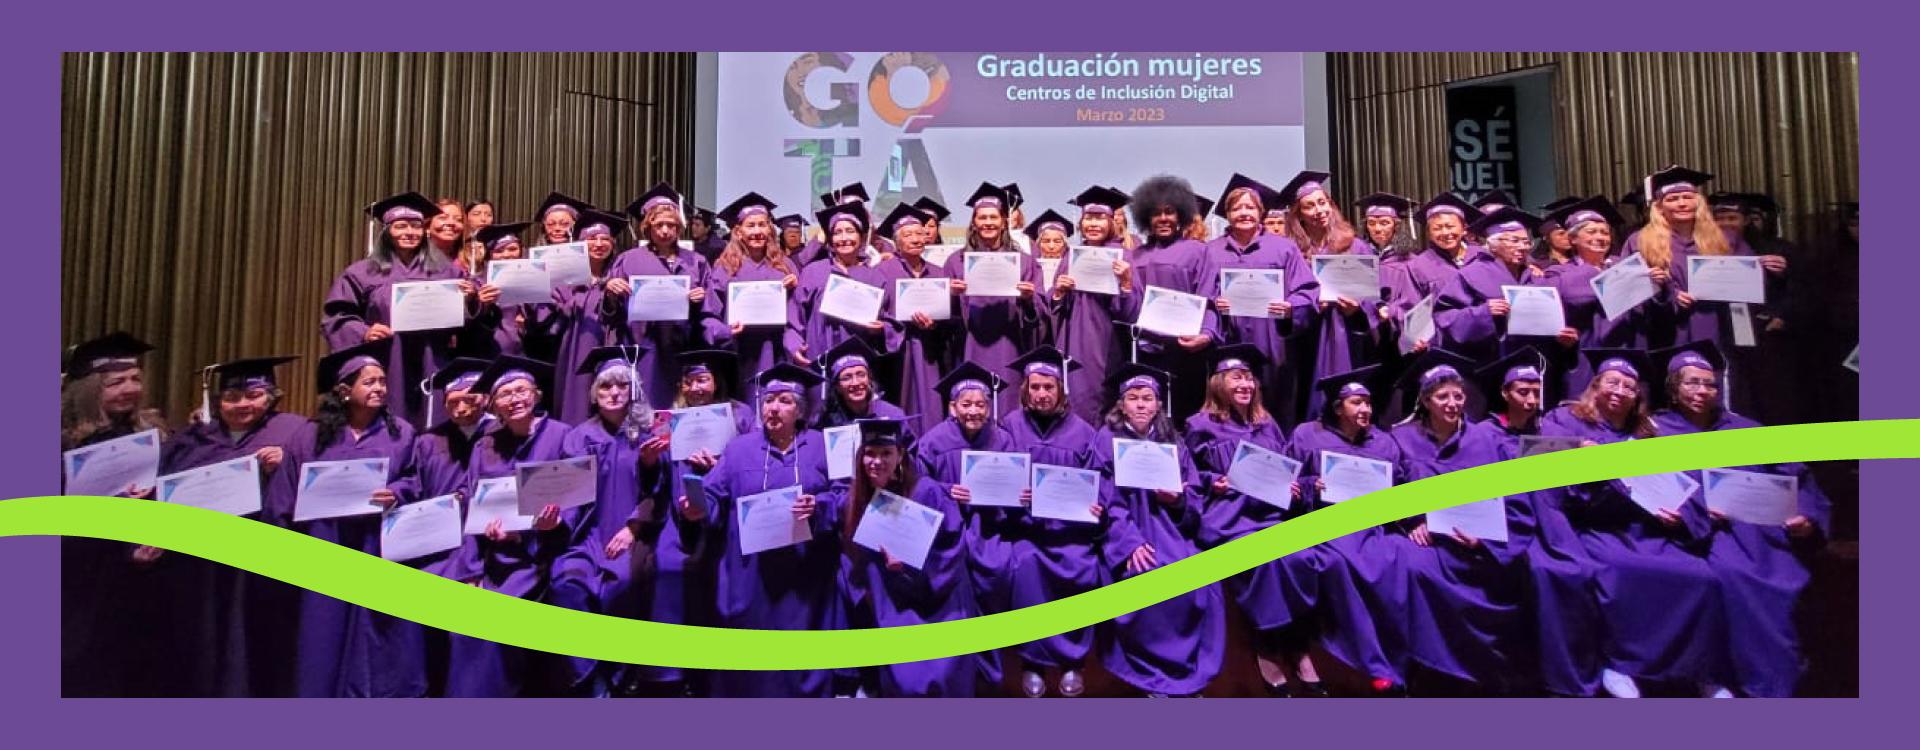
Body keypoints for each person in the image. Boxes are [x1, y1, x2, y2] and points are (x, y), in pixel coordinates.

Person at [1188, 346, 1394, 695]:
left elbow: (1288, 473)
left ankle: (1297, 643)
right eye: (1237, 378)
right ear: (1219, 383)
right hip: (1230, 519)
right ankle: (1268, 645)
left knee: (1304, 558)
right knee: (1267, 562)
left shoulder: (1267, 424)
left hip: (1271, 516)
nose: (1246, 384)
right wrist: (1213, 482)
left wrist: (1305, 486)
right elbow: (1189, 472)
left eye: (1249, 378)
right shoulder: (1200, 425)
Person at [1537, 348, 1729, 698]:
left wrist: (1679, 514)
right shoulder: (1564, 420)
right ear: (1595, 387)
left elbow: (1679, 484)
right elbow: (1534, 457)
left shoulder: (1648, 435)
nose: (1619, 391)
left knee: (1700, 577)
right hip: (1592, 527)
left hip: (1642, 527)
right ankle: (1617, 664)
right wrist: (1576, 452)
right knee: (1619, 573)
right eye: (1612, 382)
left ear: (1637, 396)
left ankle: (1699, 670)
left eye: (1629, 387)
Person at [1649, 341, 1830, 697]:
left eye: (1709, 383)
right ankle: (1715, 677)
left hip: (1754, 534)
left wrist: (1806, 517)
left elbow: (1798, 478)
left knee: (1772, 585)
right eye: (1691, 383)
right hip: (1689, 534)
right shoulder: (1654, 432)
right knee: (1720, 579)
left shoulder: (1748, 430)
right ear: (1673, 388)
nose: (1702, 391)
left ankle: (1772, 688)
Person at [268, 342, 426, 698]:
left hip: (377, 547)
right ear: (344, 391)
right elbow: (284, 494)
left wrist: (397, 492)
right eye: (369, 382)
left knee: (377, 639)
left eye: (382, 382)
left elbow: (415, 479)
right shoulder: (309, 435)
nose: (379, 389)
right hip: (324, 547)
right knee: (321, 635)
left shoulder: (401, 432)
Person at [673, 364, 839, 697]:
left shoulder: (822, 446)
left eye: (784, 401)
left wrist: (819, 507)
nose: (773, 408)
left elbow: (847, 495)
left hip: (804, 570)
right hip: (750, 570)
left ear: (800, 409)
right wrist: (698, 506)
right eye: (767, 401)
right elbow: (715, 493)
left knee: (799, 648)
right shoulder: (739, 449)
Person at [1382, 353, 1537, 694]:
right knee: (1409, 567)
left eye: (1458, 396)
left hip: (1479, 544)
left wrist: (1486, 541)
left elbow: (1514, 496)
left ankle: (1478, 674)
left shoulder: (1487, 439)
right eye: (1442, 397)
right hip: (1432, 540)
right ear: (1425, 401)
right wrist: (1412, 522)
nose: (1452, 404)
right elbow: (1392, 489)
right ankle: (1417, 666)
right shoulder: (1401, 439)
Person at [158, 356, 308, 697]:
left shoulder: (294, 431)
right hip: (202, 569)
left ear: (271, 396)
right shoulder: (192, 439)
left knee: (259, 647)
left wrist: (287, 465)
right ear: (217, 400)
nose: (242, 404)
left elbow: (316, 483)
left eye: (253, 394)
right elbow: (167, 489)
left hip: (262, 565)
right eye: (232, 397)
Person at [1093, 363, 1226, 697]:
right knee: (1144, 576)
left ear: (1158, 404)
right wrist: (1128, 543)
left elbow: (1193, 490)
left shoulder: (1172, 440)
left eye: (1148, 398)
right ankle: (1150, 672)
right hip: (1129, 529)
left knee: (1197, 580)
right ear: (1120, 404)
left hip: (1169, 526)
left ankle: (1184, 671)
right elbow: (1104, 497)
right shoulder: (1106, 439)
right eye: (1133, 398)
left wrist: (1177, 500)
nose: (1141, 405)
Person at [445, 356, 572, 697]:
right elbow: (473, 506)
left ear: (537, 394)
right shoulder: (485, 444)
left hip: (541, 557)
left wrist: (545, 526)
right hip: (492, 558)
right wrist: (470, 572)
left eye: (521, 390)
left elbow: (578, 502)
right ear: (494, 404)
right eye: (504, 394)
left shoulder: (562, 437)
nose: (514, 399)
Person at [552, 347, 676, 696]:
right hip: (586, 535)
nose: (614, 393)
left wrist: (634, 525)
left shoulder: (649, 430)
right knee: (566, 583)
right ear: (594, 393)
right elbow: (569, 493)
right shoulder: (578, 437)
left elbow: (661, 490)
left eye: (622, 386)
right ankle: (590, 674)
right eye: (605, 387)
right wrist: (555, 522)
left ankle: (618, 675)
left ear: (633, 390)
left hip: (629, 531)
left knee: (620, 584)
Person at [834, 418, 984, 696]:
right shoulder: (857, 498)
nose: (876, 462)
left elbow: (952, 547)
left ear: (901, 455)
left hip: (937, 600)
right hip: (889, 601)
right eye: (869, 453)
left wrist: (912, 569)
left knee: (937, 673)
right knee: (904, 678)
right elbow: (835, 518)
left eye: (886, 454)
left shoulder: (927, 491)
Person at [1284, 364, 1408, 695]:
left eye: (1368, 403)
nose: (1365, 409)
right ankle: (1370, 663)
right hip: (1324, 525)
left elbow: (1401, 490)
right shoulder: (1307, 435)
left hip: (1371, 528)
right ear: (1338, 408)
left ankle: (1395, 658)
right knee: (1341, 565)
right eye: (1357, 403)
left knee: (1394, 566)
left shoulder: (1384, 443)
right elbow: (1287, 482)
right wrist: (1312, 485)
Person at [322, 192, 486, 429]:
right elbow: (336, 316)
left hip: (433, 358)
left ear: (425, 230)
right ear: (387, 230)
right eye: (401, 226)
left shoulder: (444, 270)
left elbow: (472, 312)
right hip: (388, 359)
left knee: (433, 424)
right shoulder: (362, 272)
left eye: (416, 226)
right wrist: (364, 331)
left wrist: (470, 297)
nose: (409, 232)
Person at [1001, 345, 1106, 697]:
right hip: (1026, 527)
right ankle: (1032, 660)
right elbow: (998, 478)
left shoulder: (1084, 432)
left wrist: (1094, 507)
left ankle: (1073, 661)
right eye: (1035, 387)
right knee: (1024, 563)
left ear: (1061, 389)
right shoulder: (1009, 426)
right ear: (1025, 390)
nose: (1042, 394)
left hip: (1070, 530)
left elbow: (1097, 483)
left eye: (1049, 387)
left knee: (1081, 566)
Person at [910, 362, 1015, 691]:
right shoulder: (933, 441)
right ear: (952, 407)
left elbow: (1014, 487)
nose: (973, 411)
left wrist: (1021, 493)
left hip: (989, 528)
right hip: (946, 533)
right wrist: (944, 492)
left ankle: (990, 674)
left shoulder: (1002, 439)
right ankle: (954, 671)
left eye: (980, 404)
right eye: (966, 404)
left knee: (998, 573)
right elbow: (916, 485)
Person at [395, 357, 492, 697]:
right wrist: (393, 494)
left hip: (483, 546)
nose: (461, 408)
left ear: (485, 398)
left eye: (470, 398)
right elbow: (412, 483)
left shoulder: (499, 434)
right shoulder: (428, 441)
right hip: (436, 542)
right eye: (453, 402)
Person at [1201, 174, 1317, 423]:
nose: (1244, 213)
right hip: (1228, 344)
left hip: (1273, 345)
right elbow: (1203, 296)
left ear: (1260, 212)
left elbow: (1307, 290)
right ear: (1227, 214)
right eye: (1237, 208)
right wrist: (1216, 304)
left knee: (1275, 410)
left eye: (1250, 207)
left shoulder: (1283, 248)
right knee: (1229, 411)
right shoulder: (1212, 251)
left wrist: (1290, 308)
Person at [1540, 197, 1670, 402]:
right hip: (1586, 357)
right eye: (1591, 232)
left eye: (1605, 232)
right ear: (1573, 239)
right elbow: (1568, 297)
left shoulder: (1626, 266)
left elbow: (1648, 313)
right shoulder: (1558, 272)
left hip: (1629, 349)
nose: (1600, 237)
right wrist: (1606, 276)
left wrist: (1656, 287)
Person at [599, 183, 715, 411]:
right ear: (647, 226)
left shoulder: (696, 262)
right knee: (645, 408)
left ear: (679, 228)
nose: (664, 231)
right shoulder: (628, 260)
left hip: (684, 347)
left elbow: (710, 309)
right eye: (658, 224)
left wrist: (701, 298)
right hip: (643, 347)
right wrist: (611, 292)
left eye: (671, 225)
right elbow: (612, 313)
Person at [1280, 171, 1384, 420]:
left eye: (1322, 202)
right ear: (1298, 215)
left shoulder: (1356, 246)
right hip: (1308, 337)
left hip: (1345, 334)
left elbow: (1372, 296)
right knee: (1307, 395)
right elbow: (1286, 297)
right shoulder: (1291, 251)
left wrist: (1356, 311)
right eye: (1309, 206)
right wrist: (1309, 305)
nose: (1318, 210)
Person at [1119, 175, 1217, 419]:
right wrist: (1127, 285)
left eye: (1170, 212)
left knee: (1186, 412)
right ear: (1146, 219)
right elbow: (1131, 307)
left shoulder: (1198, 251)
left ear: (1181, 216)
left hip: (1186, 348)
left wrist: (1206, 333)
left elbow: (1210, 297)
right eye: (1155, 213)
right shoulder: (1136, 256)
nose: (1163, 218)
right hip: (1146, 350)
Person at [1433, 206, 1578, 369]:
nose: (1523, 247)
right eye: (1514, 241)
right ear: (1492, 245)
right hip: (1489, 364)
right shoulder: (1471, 274)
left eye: (1526, 242)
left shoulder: (1535, 277)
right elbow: (1444, 317)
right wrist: (1483, 313)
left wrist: (1563, 340)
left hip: (1533, 366)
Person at [944, 182, 1050, 380]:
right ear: (974, 223)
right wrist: (951, 296)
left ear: (1004, 222)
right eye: (982, 217)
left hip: (1010, 345)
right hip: (970, 345)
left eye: (994, 217)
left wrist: (1028, 298)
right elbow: (944, 318)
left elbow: (1041, 311)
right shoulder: (956, 261)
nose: (988, 222)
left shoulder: (1025, 262)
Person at [872, 202, 955, 436]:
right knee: (900, 402)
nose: (916, 239)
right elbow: (876, 313)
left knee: (931, 406)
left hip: (930, 352)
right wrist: (893, 328)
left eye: (920, 233)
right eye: (908, 235)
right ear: (897, 241)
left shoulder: (938, 273)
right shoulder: (883, 271)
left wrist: (935, 324)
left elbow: (950, 318)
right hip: (898, 353)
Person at [1056, 186, 1138, 422]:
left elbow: (1132, 313)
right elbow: (1053, 303)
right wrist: (1059, 292)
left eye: (1100, 218)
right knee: (1074, 393)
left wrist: (1125, 283)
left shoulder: (1125, 256)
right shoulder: (1071, 256)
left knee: (1103, 399)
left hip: (1108, 339)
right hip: (1074, 339)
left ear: (1112, 221)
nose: (1093, 224)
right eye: (1088, 218)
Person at [705, 192, 800, 388]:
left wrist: (793, 290)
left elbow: (797, 315)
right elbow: (711, 315)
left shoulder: (785, 266)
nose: (757, 231)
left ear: (770, 229)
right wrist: (724, 331)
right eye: (751, 225)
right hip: (738, 352)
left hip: (776, 351)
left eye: (762, 224)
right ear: (738, 232)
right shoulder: (724, 268)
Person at [786, 202, 894, 367]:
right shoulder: (813, 272)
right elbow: (794, 318)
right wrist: (794, 346)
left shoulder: (876, 277)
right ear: (830, 240)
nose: (844, 238)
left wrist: (881, 329)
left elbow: (890, 321)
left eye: (850, 231)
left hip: (859, 365)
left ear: (861, 237)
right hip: (818, 358)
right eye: (837, 233)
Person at [459, 221, 541, 360]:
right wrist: (482, 305)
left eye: (512, 249)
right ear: (490, 254)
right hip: (489, 353)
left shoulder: (533, 277)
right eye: (499, 251)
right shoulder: (477, 283)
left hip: (528, 352)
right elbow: (468, 326)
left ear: (521, 250)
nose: (507, 255)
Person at [816, 337, 912, 433]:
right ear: (837, 387)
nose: (856, 383)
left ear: (869, 379)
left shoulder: (891, 414)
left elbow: (910, 447)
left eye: (861, 375)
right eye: (847, 378)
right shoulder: (828, 423)